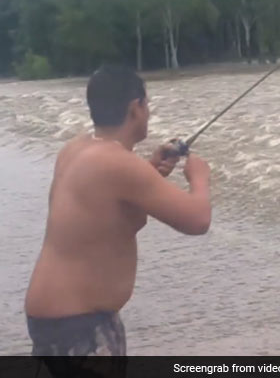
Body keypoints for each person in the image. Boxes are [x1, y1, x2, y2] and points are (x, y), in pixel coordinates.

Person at [23, 65, 212, 364]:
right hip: (79, 325)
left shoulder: (76, 149)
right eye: (146, 104)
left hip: (55, 320)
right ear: (135, 108)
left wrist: (148, 170)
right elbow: (197, 219)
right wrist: (200, 178)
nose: (148, 111)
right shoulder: (119, 164)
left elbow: (99, 213)